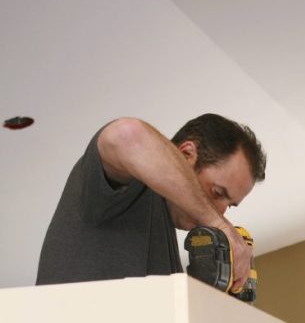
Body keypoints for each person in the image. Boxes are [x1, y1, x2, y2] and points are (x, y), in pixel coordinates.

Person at [36, 114, 266, 290]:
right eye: (217, 192)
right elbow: (127, 135)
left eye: (229, 205)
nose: (221, 211)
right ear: (186, 154)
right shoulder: (133, 186)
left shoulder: (166, 253)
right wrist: (219, 225)